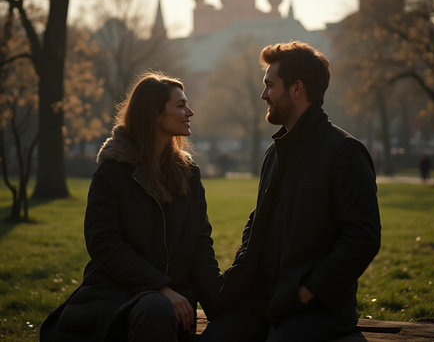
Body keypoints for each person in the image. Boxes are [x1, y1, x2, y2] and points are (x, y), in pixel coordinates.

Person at [200, 42, 381, 342]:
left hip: (315, 310)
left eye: (270, 85)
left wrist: (307, 292)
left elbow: (362, 239)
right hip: (265, 302)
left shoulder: (344, 152)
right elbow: (256, 225)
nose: (263, 95)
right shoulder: (275, 152)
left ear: (297, 89)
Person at [40, 72, 222, 342]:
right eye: (181, 105)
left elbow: (200, 247)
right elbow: (104, 244)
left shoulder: (188, 175)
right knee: (156, 308)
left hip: (173, 300)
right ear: (155, 115)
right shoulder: (114, 171)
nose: (190, 112)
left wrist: (220, 307)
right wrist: (161, 287)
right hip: (116, 297)